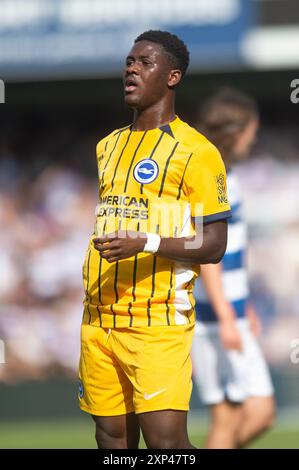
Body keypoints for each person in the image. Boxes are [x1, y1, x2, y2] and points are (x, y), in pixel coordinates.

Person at [78, 30, 231, 450]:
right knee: (111, 439)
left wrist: (144, 243)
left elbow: (214, 244)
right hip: (98, 320)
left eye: (145, 62)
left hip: (157, 324)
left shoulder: (197, 152)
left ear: (172, 76)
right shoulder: (107, 147)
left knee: (166, 446)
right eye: (129, 61)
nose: (131, 68)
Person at [191, 89, 275, 449]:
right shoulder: (212, 178)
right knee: (242, 414)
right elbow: (207, 254)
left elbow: (232, 253)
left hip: (228, 312)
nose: (254, 138)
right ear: (234, 131)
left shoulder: (225, 176)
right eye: (250, 130)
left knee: (246, 415)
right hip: (214, 318)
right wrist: (226, 316)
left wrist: (243, 307)